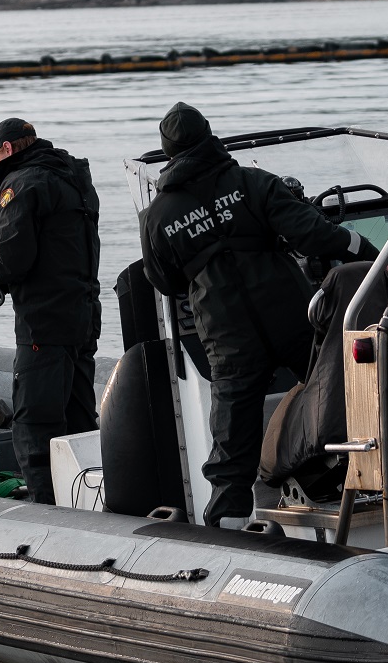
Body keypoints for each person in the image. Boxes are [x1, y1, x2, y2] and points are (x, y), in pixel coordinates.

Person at [140, 102, 371, 527]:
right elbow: (314, 233)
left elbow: (164, 280)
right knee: (335, 388)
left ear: (168, 152)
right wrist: (364, 249)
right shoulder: (251, 182)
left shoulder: (157, 216)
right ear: (210, 135)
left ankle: (228, 522)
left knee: (233, 431)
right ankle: (358, 479)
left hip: (227, 334)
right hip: (290, 315)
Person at [0, 118, 102, 503]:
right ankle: (94, 503)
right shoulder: (74, 178)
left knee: (36, 425)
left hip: (42, 326)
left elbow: (14, 259)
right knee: (80, 422)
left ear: (8, 150)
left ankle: (47, 515)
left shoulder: (22, 184)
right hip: (83, 316)